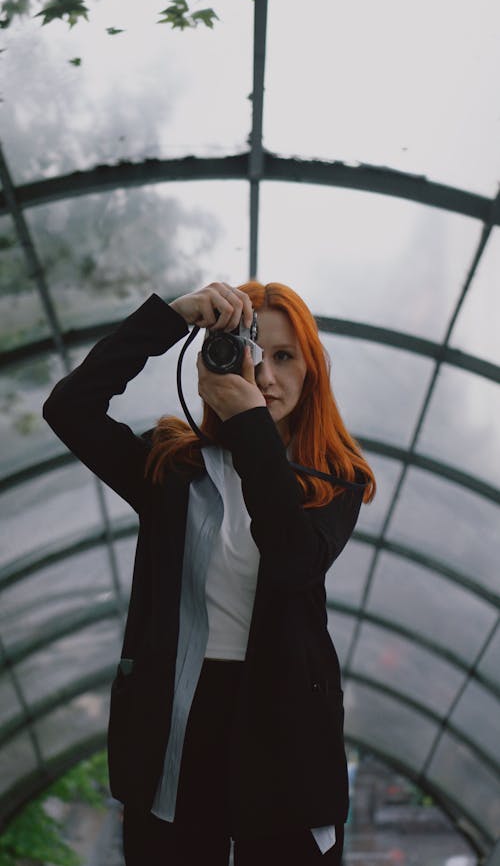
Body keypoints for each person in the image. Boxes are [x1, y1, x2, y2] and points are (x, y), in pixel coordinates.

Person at [43, 280, 375, 866]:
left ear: (311, 370)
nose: (265, 376)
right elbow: (68, 408)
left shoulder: (333, 480)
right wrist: (170, 317)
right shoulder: (173, 465)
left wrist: (247, 425)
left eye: (283, 357)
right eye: (251, 352)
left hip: (282, 723)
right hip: (177, 717)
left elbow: (293, 559)